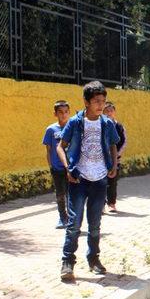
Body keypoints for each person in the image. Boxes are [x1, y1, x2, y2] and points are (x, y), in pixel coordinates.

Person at [56, 81, 120, 281]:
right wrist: (68, 168)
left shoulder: (107, 124)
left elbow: (112, 146)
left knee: (95, 224)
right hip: (78, 179)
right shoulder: (75, 122)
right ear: (86, 102)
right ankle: (67, 262)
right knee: (74, 224)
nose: (101, 105)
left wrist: (113, 166)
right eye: (96, 101)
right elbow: (61, 146)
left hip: (100, 180)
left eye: (103, 101)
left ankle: (94, 259)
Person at [43, 100, 71, 229]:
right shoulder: (51, 130)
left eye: (66, 112)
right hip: (57, 168)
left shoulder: (73, 127)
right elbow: (48, 150)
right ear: (55, 114)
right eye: (60, 112)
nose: (64, 115)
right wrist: (51, 166)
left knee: (72, 194)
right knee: (60, 194)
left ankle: (72, 218)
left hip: (72, 168)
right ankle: (62, 218)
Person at [102, 102, 127, 212]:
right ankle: (101, 205)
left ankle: (111, 203)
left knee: (112, 182)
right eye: (106, 111)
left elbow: (123, 141)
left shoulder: (119, 126)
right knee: (101, 182)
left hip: (115, 159)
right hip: (101, 159)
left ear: (114, 112)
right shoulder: (100, 125)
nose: (109, 113)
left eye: (111, 111)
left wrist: (116, 154)